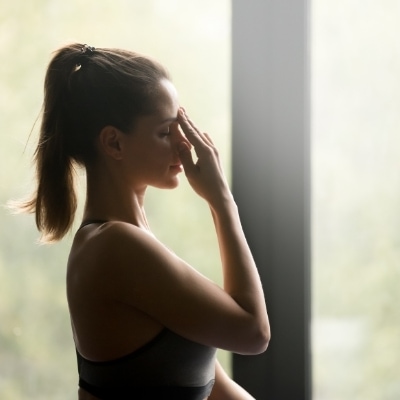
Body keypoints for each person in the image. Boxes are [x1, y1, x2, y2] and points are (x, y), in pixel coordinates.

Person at [20, 43, 270, 400]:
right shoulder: (116, 247)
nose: (184, 144)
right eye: (166, 132)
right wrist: (222, 201)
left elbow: (216, 387)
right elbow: (253, 333)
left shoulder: (128, 240)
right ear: (114, 143)